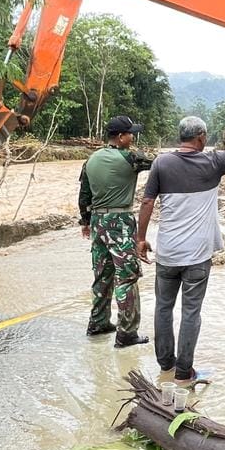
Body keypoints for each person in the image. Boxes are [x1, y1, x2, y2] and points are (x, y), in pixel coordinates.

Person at [136, 116, 225, 385]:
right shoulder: (212, 163)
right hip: (197, 256)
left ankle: (166, 365)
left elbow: (147, 201)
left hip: (167, 253)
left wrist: (140, 239)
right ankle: (184, 372)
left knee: (163, 308)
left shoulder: (162, 163)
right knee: (191, 312)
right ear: (200, 137)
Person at [78, 115, 154, 348]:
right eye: (130, 133)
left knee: (102, 275)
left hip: (98, 222)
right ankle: (127, 333)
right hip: (119, 220)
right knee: (128, 277)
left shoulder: (90, 160)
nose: (133, 137)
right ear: (120, 137)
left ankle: (98, 323)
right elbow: (158, 164)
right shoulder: (130, 158)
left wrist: (86, 221)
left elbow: (84, 194)